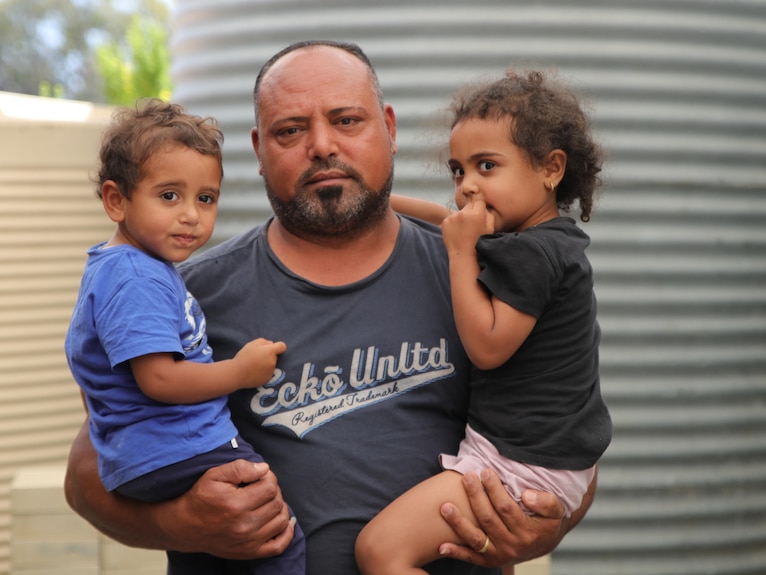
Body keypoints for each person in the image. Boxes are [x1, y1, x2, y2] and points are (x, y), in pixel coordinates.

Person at [64, 42, 598, 575]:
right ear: (258, 149)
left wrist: (544, 523)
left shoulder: (479, 274)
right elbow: (88, 474)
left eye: (346, 120)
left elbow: (565, 439)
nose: (322, 146)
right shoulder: (184, 295)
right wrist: (178, 522)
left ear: (388, 127)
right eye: (290, 130)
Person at [354, 70, 612, 575]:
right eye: (458, 171)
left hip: (519, 464)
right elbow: (442, 216)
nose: (467, 186)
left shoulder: (533, 256)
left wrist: (458, 254)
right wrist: (377, 203)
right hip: (533, 455)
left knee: (380, 552)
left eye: (486, 166)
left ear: (551, 169)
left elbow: (489, 347)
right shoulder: (544, 238)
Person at [64, 98, 305, 574]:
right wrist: (239, 372)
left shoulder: (130, 267)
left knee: (218, 557)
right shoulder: (137, 276)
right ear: (117, 200)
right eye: (169, 195)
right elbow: (160, 380)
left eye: (206, 198)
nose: (191, 215)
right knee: (279, 540)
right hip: (182, 447)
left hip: (149, 453)